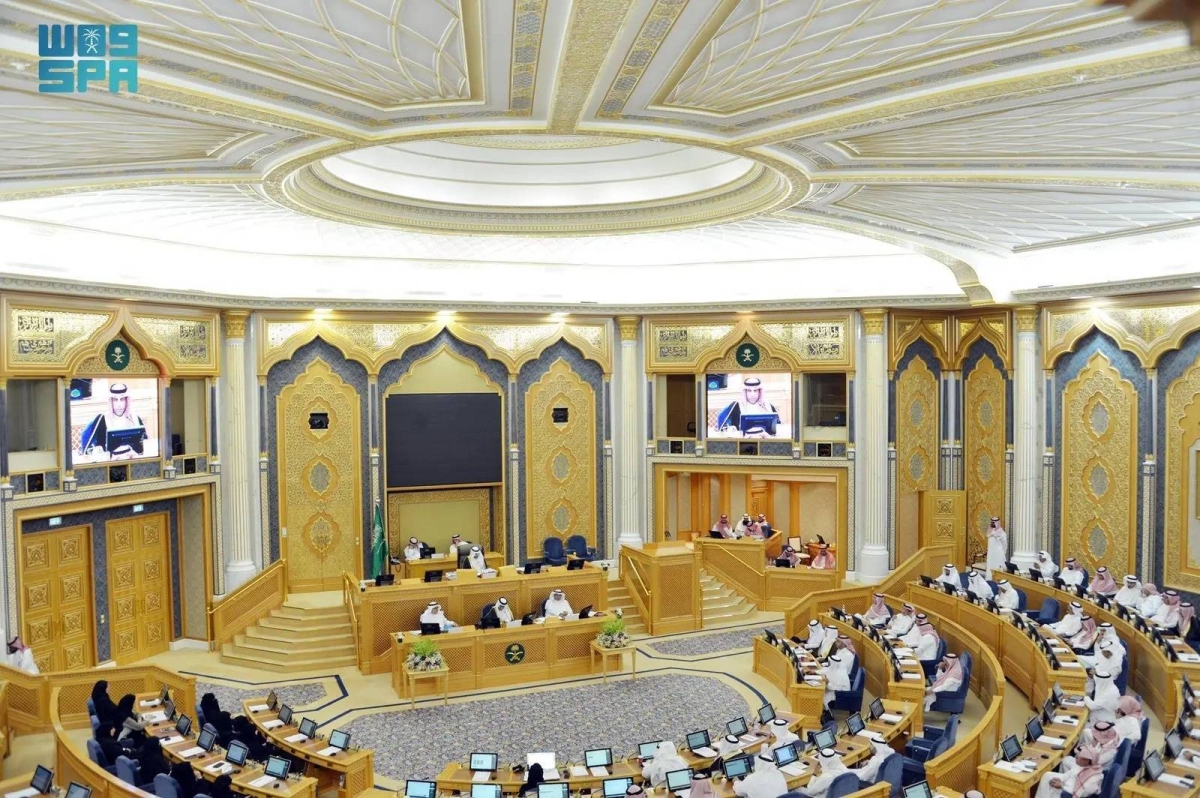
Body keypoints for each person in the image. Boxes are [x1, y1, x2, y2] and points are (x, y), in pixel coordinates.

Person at [79, 382, 149, 460]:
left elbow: (145, 445)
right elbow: (87, 449)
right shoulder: (102, 419)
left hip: (132, 461)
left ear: (126, 401)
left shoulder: (135, 419)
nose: (119, 404)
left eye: (122, 399)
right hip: (109, 463)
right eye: (115, 400)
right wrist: (97, 451)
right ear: (111, 401)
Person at [715, 377, 779, 438]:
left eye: (755, 390)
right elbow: (722, 426)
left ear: (760, 392)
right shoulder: (736, 406)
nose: (752, 394)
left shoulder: (768, 406)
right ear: (745, 392)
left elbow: (778, 426)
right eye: (749, 391)